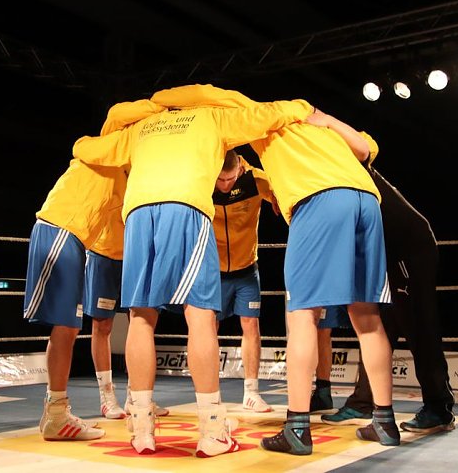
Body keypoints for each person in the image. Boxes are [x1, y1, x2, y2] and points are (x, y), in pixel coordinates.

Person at [73, 84, 312, 457]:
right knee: (200, 315)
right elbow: (266, 115)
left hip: (137, 214)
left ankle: (141, 429)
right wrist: (301, 104)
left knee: (140, 317)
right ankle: (213, 430)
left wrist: (139, 111)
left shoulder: (142, 126)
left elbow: (84, 148)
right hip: (186, 206)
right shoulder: (212, 116)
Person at [250, 108, 399, 455]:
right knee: (367, 316)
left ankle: (297, 428)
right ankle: (385, 422)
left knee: (301, 314)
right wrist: (324, 116)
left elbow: (212, 98)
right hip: (366, 201)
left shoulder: (264, 120)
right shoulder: (325, 131)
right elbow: (363, 149)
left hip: (319, 201)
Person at [314, 161, 455, 434]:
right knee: (378, 328)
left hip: (407, 249)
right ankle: (364, 401)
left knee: (419, 327)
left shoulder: (346, 170)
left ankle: (439, 407)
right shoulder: (332, 173)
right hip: (385, 253)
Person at [22, 153, 129, 442]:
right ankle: (57, 415)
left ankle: (54, 413)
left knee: (68, 327)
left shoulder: (122, 175)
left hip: (72, 237)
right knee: (66, 327)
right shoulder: (107, 153)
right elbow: (117, 121)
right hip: (61, 229)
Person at [83, 200, 170, 420]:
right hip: (104, 252)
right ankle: (107, 397)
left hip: (138, 253)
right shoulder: (107, 166)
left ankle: (136, 398)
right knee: (101, 324)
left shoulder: (144, 169)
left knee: (142, 321)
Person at [213, 150, 276, 413]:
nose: (225, 186)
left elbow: (285, 198)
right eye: (220, 181)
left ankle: (251, 393)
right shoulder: (200, 180)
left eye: (230, 180)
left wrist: (282, 202)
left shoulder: (258, 181)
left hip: (246, 268)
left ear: (240, 169)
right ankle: (210, 392)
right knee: (206, 329)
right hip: (211, 271)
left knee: (251, 325)